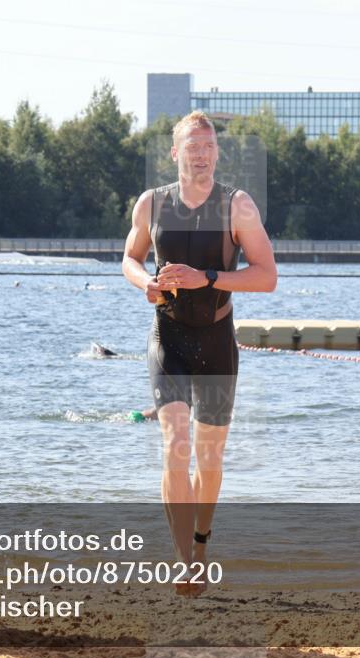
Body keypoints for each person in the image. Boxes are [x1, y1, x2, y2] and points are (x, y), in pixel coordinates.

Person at [122, 110, 277, 596]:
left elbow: (266, 276)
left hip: (215, 339)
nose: (202, 155)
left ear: (217, 153)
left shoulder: (238, 206)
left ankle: (202, 544)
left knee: (208, 458)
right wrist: (146, 281)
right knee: (174, 445)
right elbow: (129, 257)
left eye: (208, 147)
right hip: (167, 336)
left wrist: (206, 278)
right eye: (192, 147)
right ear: (175, 153)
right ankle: (184, 561)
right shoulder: (152, 204)